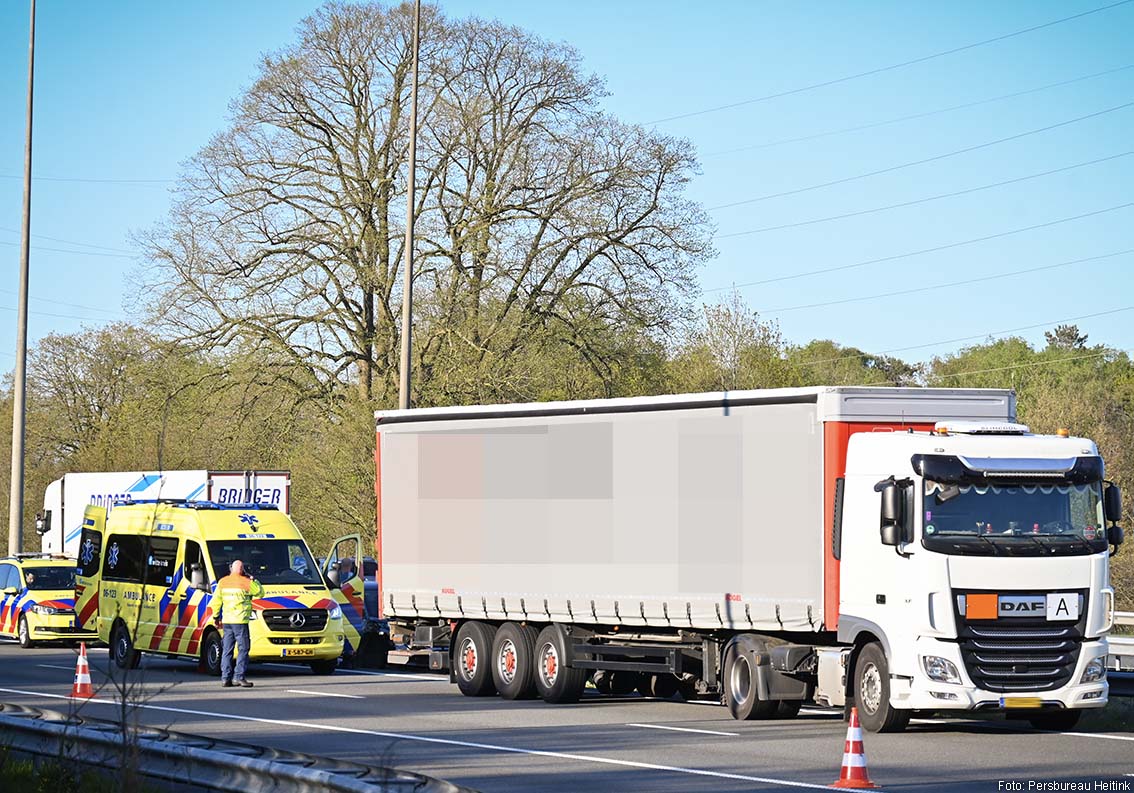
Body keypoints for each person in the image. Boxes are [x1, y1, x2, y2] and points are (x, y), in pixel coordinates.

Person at [213, 559, 264, 688]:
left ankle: (225, 678)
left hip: (227, 621)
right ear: (242, 570)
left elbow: (216, 601)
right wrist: (253, 579)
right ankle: (239, 677)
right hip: (240, 621)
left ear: (231, 569)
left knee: (227, 650)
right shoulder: (246, 582)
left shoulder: (222, 582)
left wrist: (216, 617)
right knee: (243, 649)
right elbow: (260, 592)